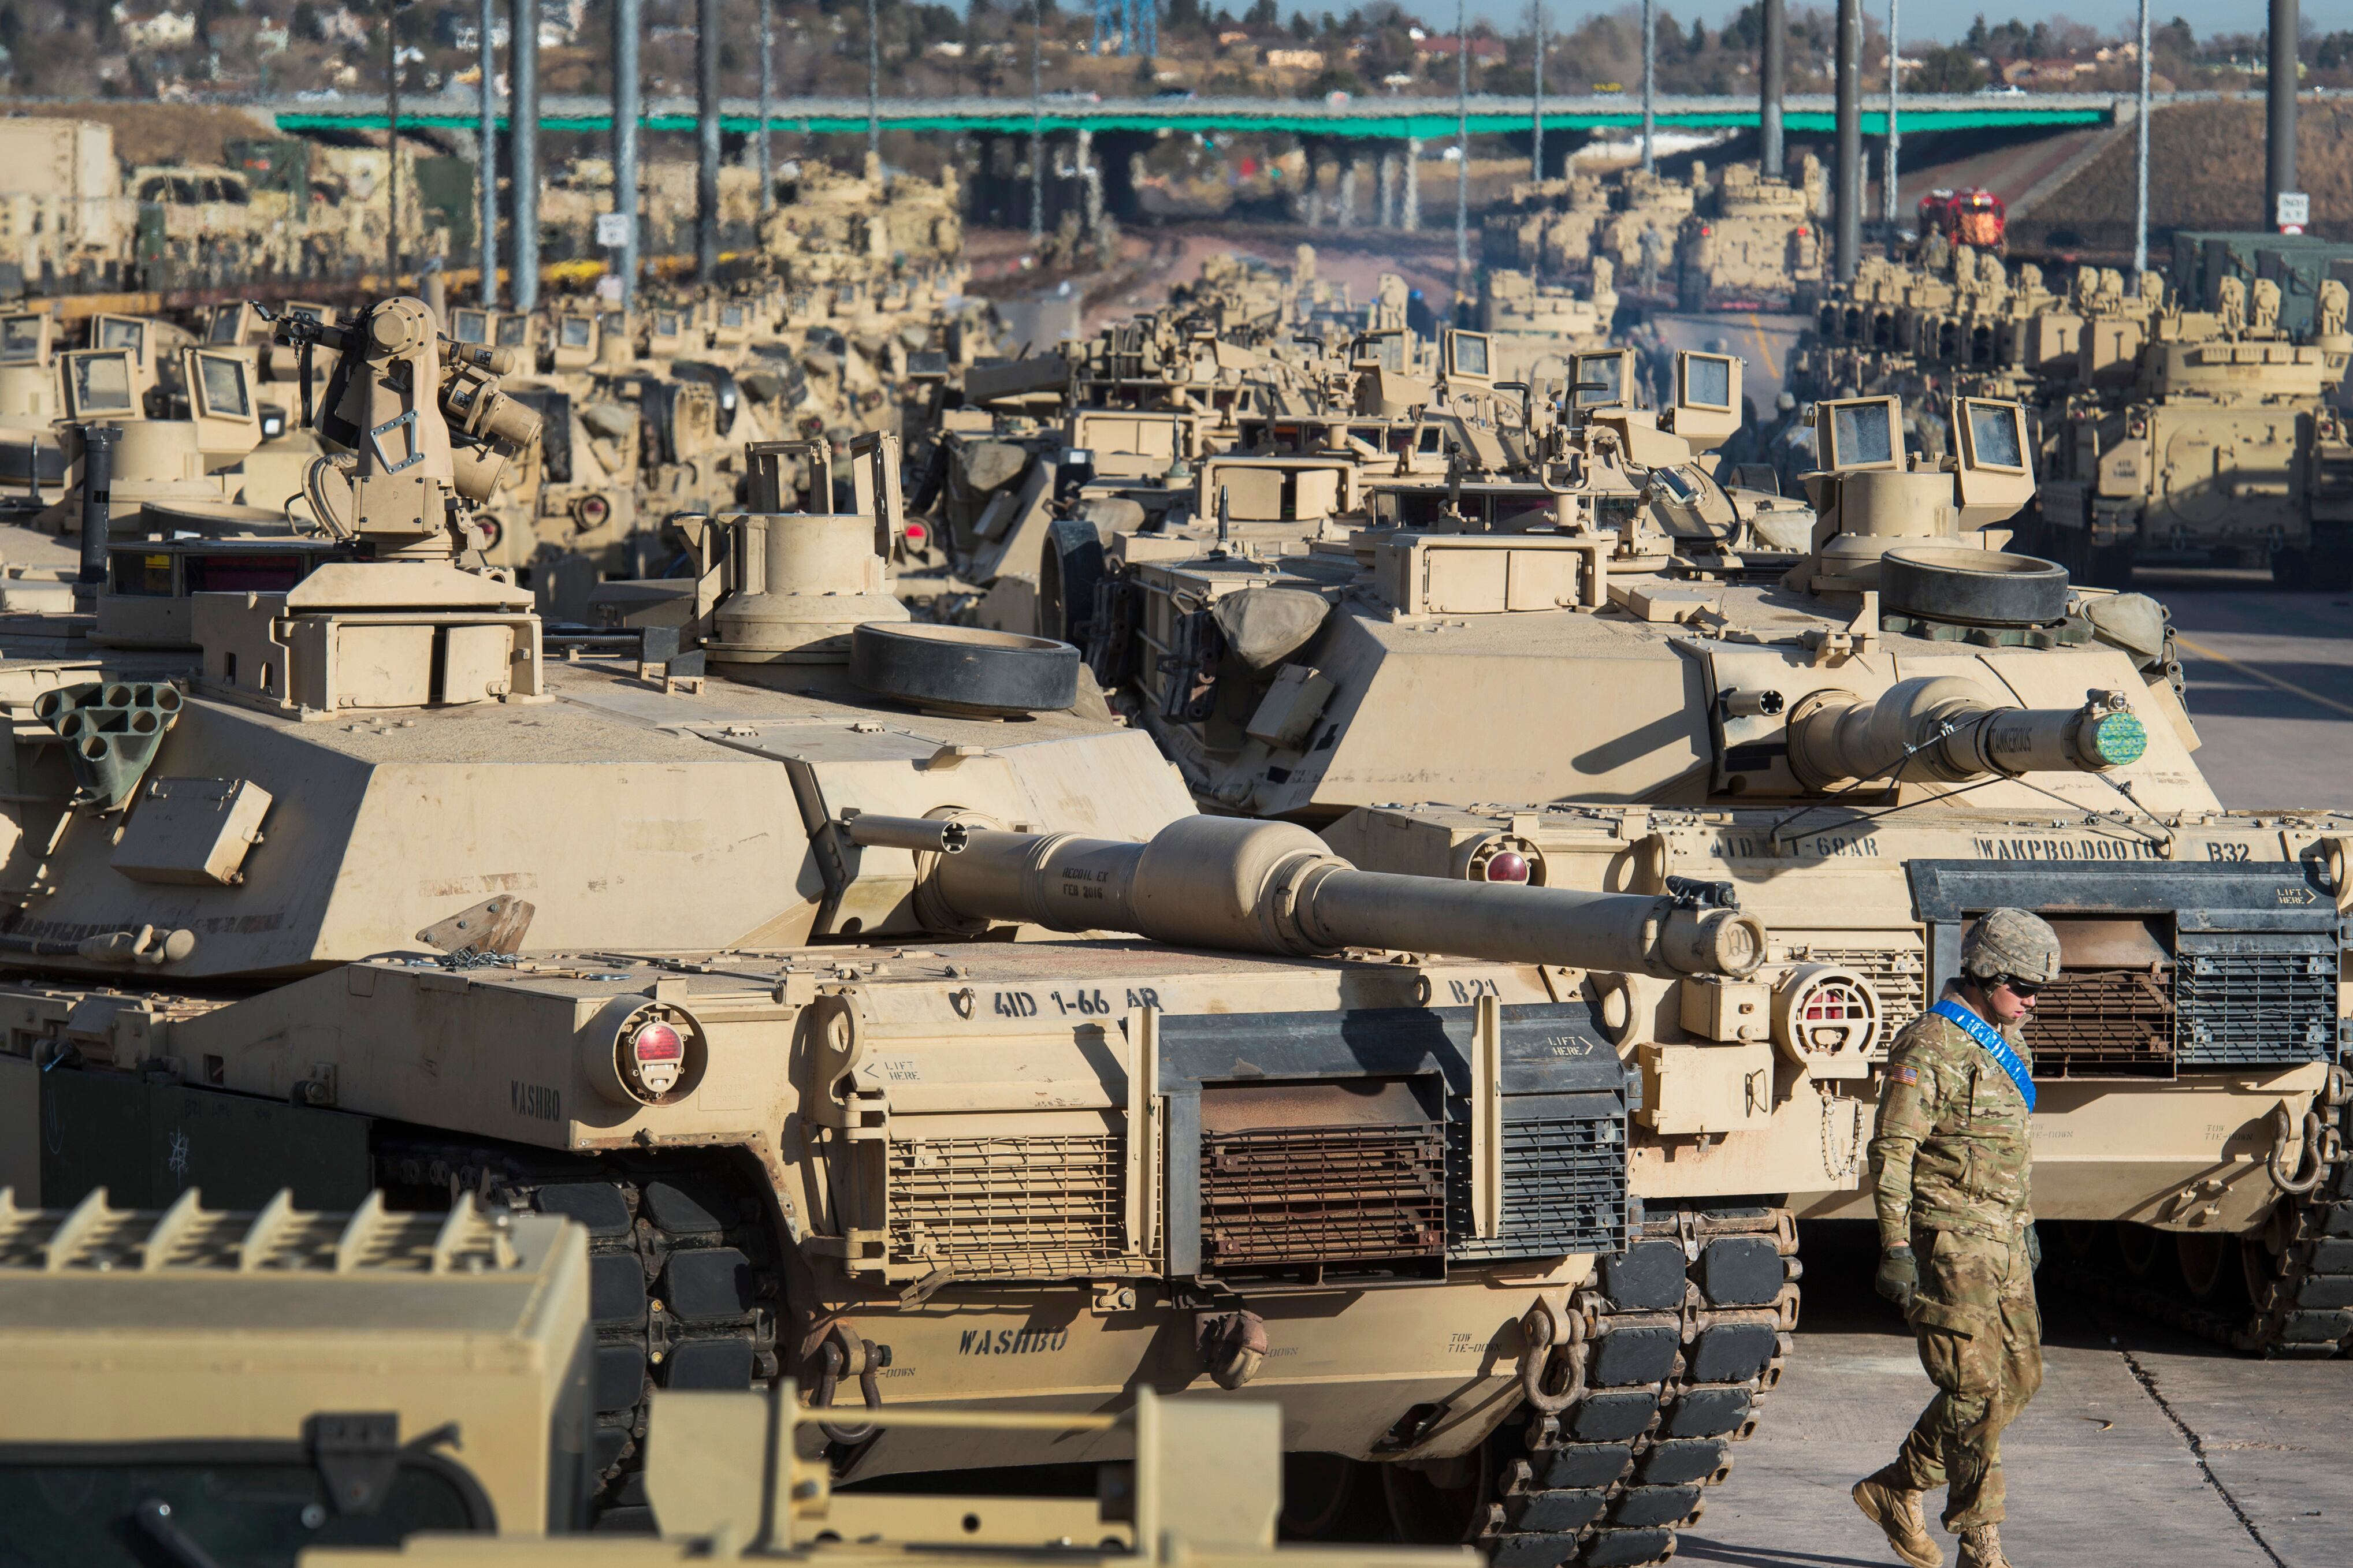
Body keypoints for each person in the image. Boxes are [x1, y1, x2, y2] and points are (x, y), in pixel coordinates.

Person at [1852, 908, 2059, 1568]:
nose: (2031, 1002)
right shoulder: (1927, 1043)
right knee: (1973, 1389)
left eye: (2037, 992)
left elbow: (2010, 1151)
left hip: (2001, 1237)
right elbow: (1892, 1150)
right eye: (2022, 987)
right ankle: (1980, 1540)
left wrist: (2023, 1225)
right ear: (1984, 973)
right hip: (1948, 1237)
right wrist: (1892, 1245)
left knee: (2020, 1379)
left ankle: (1898, 1485)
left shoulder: (2010, 1045)